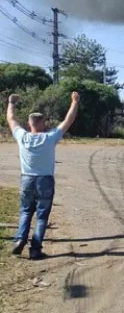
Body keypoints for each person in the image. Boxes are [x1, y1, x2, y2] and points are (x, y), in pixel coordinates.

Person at [6, 92, 80, 260]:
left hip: (27, 179)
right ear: (43, 123)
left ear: (29, 124)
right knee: (41, 216)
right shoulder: (49, 137)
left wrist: (11, 103)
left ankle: (19, 240)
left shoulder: (22, 136)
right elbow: (68, 120)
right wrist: (74, 102)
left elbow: (11, 119)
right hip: (45, 180)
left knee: (25, 211)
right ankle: (35, 248)